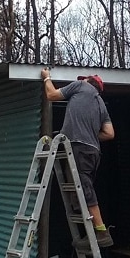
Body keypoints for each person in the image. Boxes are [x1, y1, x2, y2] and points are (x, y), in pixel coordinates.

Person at [41, 68, 115, 247]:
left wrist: (46, 78)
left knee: (84, 190)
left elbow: (51, 95)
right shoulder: (101, 104)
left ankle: (102, 232)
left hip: (79, 148)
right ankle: (90, 236)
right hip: (92, 151)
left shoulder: (80, 85)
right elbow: (110, 133)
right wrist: (90, 133)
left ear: (88, 81)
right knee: (80, 191)